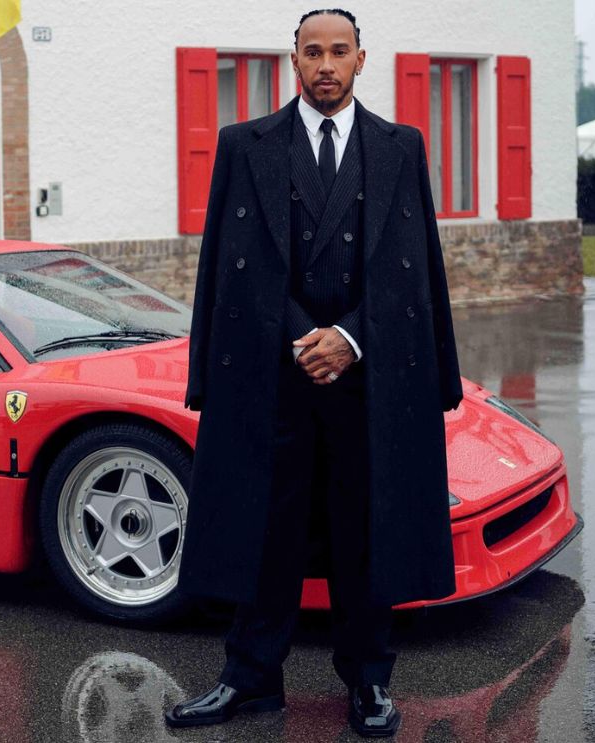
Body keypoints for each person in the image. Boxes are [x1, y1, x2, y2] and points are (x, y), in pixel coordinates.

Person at [165, 8, 463, 738]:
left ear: (361, 59)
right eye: (311, 52)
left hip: (367, 379)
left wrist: (350, 337)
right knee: (264, 527)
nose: (324, 64)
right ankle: (248, 678)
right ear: (291, 61)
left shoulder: (400, 147)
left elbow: (412, 270)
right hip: (273, 375)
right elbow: (228, 271)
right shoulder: (244, 145)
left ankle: (367, 681)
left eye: (338, 52)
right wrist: (305, 335)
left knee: (366, 526)